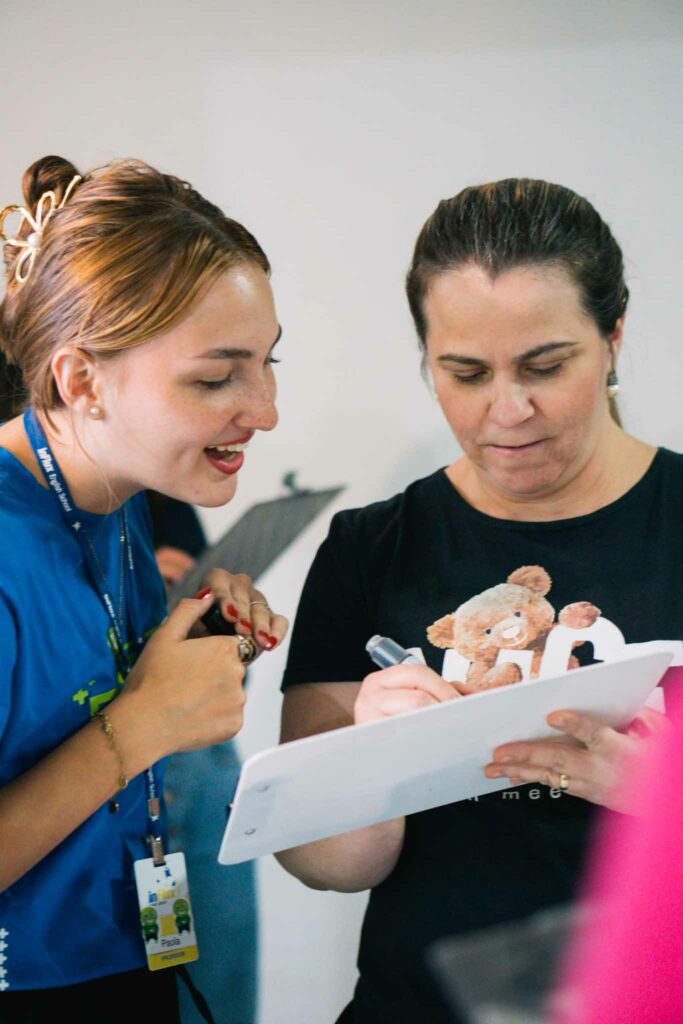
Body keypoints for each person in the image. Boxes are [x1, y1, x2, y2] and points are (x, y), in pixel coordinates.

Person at [275, 179, 683, 1023]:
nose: (507, 410)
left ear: (612, 336)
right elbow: (322, 864)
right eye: (464, 373)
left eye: (545, 366)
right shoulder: (369, 546)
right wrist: (371, 758)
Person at [0, 154, 287, 1021]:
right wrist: (148, 719)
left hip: (125, 958)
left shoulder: (115, 494)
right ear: (81, 381)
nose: (265, 410)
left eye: (268, 362)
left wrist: (181, 658)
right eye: (215, 377)